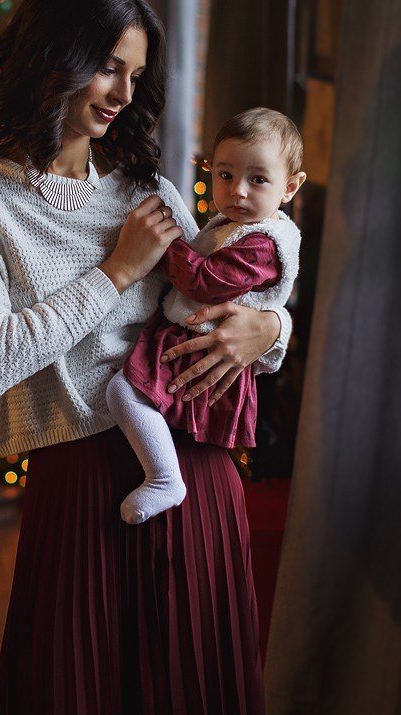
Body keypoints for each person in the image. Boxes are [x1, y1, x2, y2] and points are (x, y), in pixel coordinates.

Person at [0, 0, 289, 715]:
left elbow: (229, 297)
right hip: (80, 484)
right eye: (108, 67)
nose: (124, 93)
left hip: (195, 474)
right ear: (54, 56)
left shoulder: (147, 184)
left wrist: (273, 330)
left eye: (136, 74)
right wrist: (117, 272)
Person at [106, 108, 305, 524]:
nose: (238, 191)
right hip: (189, 339)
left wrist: (161, 243)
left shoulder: (265, 242)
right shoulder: (233, 224)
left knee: (123, 392)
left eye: (258, 179)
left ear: (290, 187)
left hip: (202, 351)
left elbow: (205, 281)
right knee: (128, 395)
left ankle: (164, 478)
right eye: (226, 175)